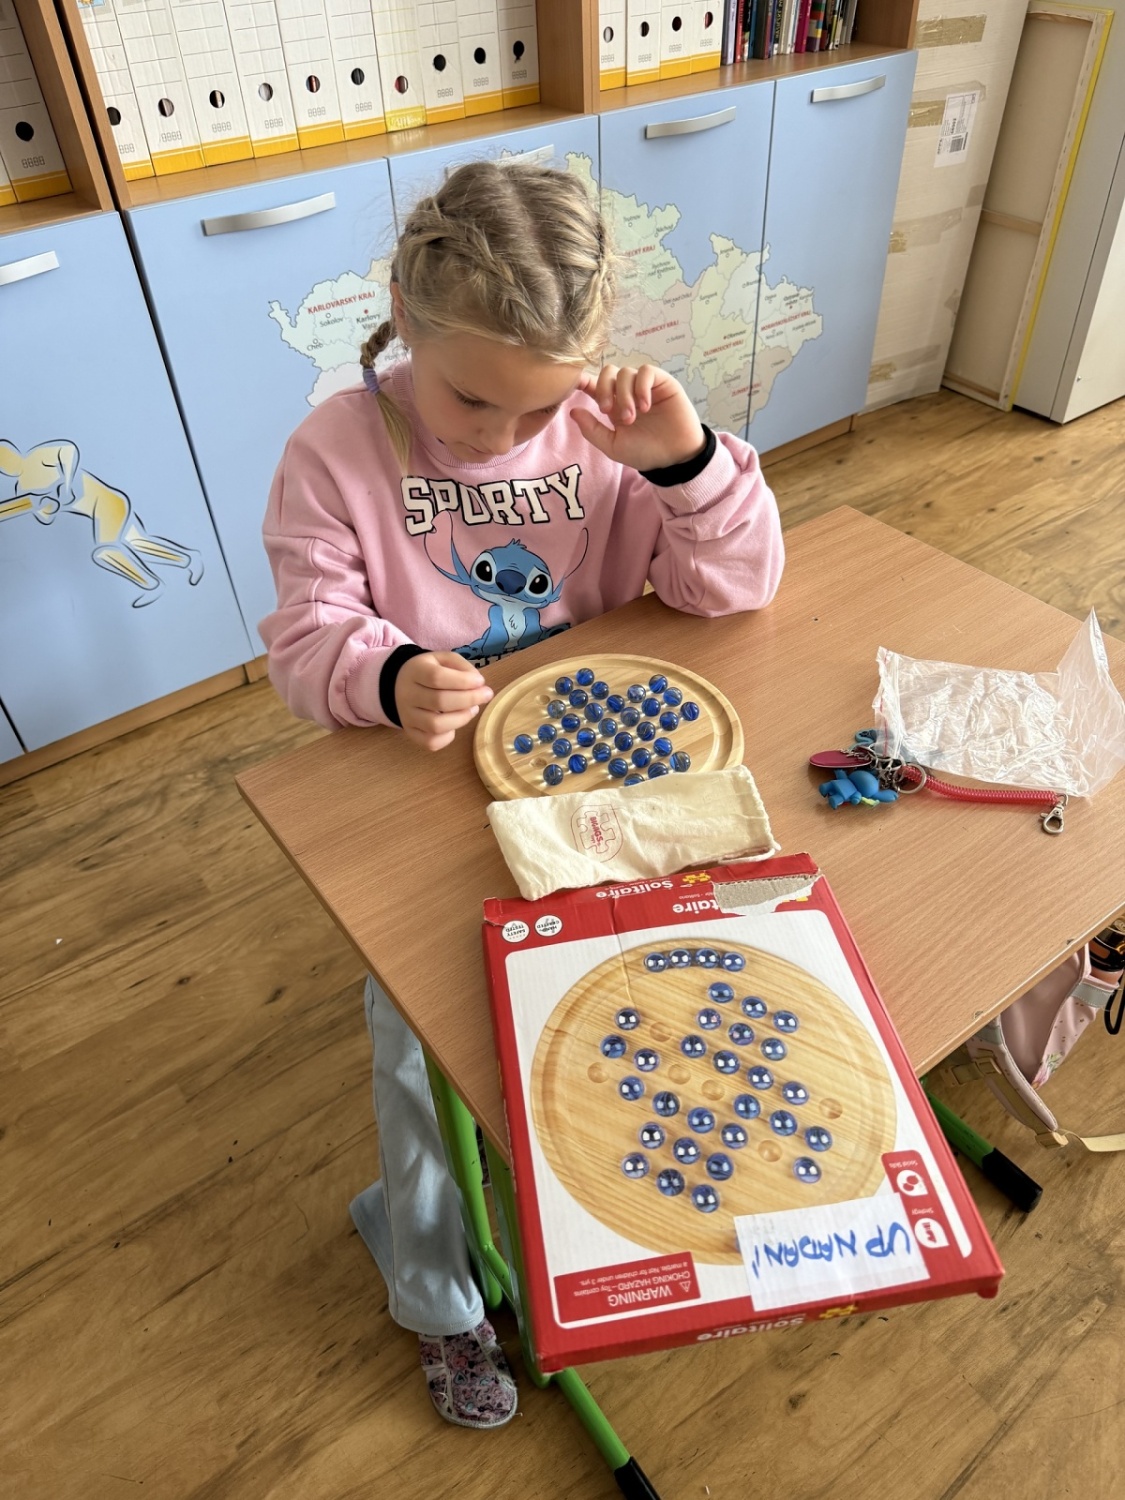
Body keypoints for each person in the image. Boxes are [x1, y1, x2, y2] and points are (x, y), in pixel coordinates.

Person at [260, 159, 785, 1430]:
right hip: (428, 781)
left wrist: (686, 465)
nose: (500, 436)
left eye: (533, 405)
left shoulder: (610, 428)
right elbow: (305, 639)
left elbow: (735, 589)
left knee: (652, 979)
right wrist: (386, 676)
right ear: (402, 313)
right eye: (468, 398)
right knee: (419, 1035)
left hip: (589, 775)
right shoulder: (336, 451)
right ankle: (437, 1292)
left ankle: (586, 1202)